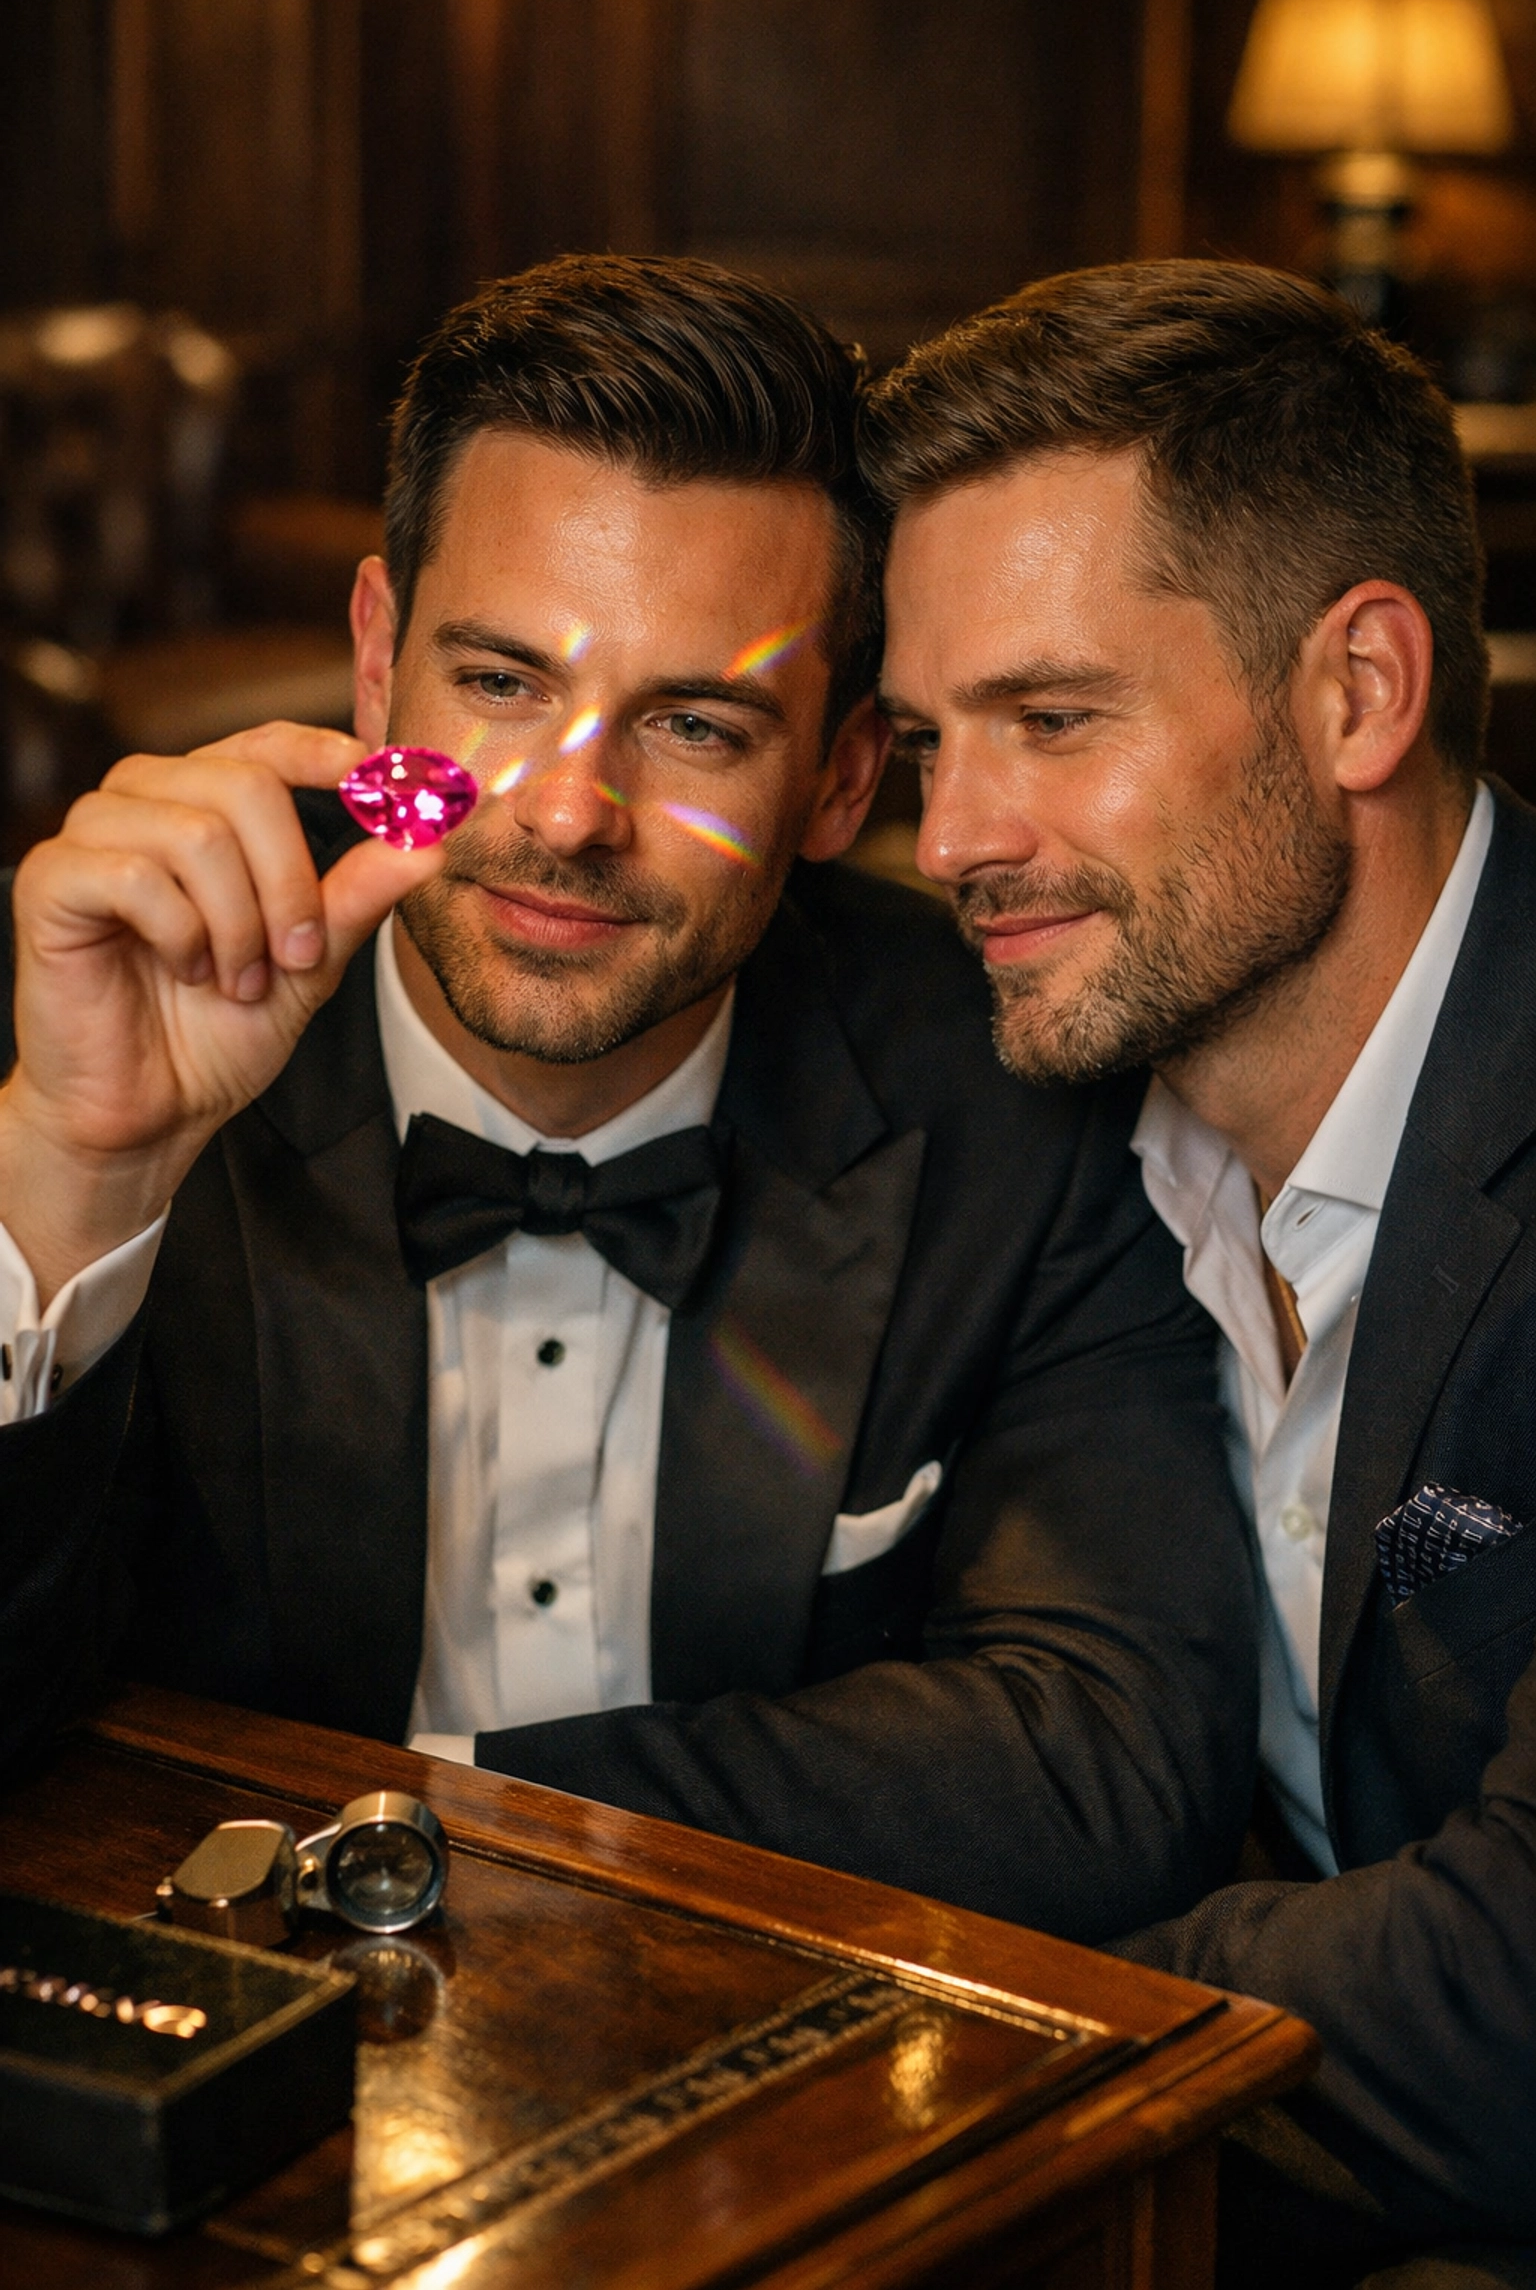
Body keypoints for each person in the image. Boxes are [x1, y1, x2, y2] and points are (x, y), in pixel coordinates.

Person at [0, 254, 1255, 1941]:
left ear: (839, 780)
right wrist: (74, 1181)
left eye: (695, 725)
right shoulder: (91, 1004)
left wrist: (432, 1817)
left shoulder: (1013, 1083)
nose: (571, 813)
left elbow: (1106, 1763)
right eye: (502, 685)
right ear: (379, 673)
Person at [862, 258, 1536, 2282]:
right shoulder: (1029, 1118)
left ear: (1359, 692)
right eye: (921, 743)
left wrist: (932, 2021)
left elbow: (1508, 2008)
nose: (954, 836)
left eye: (1053, 722)